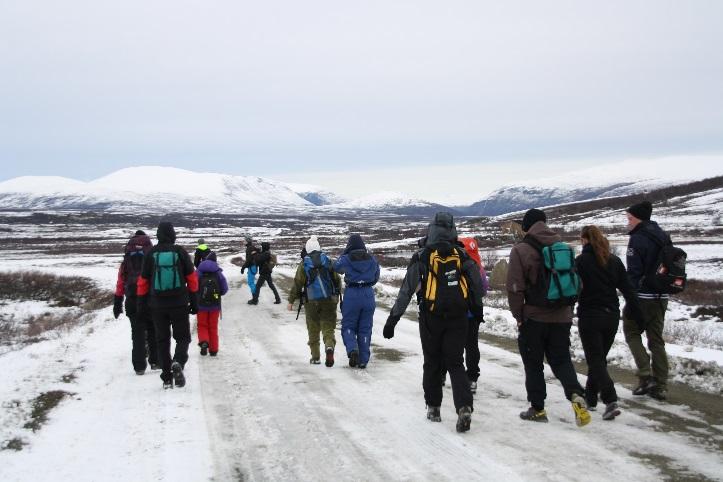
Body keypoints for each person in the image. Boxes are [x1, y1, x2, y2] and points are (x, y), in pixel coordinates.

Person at [383, 212, 485, 433]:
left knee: (432, 362)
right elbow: (477, 286)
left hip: (431, 317)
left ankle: (434, 408)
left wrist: (393, 320)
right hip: (459, 317)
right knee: (456, 363)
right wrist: (477, 311)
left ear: (431, 229)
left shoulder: (422, 256)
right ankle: (464, 406)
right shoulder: (462, 254)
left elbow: (406, 291)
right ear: (452, 230)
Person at [506, 208, 590, 426]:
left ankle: (537, 409)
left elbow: (515, 287)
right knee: (561, 359)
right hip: (561, 317)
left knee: (533, 364)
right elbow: (577, 283)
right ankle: (575, 394)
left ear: (526, 226)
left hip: (534, 317)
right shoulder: (563, 248)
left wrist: (519, 316)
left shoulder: (521, 250)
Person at [576, 226, 644, 420]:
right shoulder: (614, 261)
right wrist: (638, 315)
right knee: (598, 358)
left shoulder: (581, 262)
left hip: (590, 316)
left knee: (595, 360)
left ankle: (610, 399)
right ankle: (590, 398)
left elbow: (572, 287)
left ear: (585, 240)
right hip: (611, 316)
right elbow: (628, 289)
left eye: (581, 240)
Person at [137, 221, 198, 389]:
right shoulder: (180, 252)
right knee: (183, 337)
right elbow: (192, 279)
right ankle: (178, 361)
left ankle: (166, 378)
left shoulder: (151, 253)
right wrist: (194, 302)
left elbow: (142, 282)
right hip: (179, 303)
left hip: (157, 305)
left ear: (158, 234)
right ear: (172, 234)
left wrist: (142, 305)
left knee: (162, 340)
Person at [622, 200, 671, 401]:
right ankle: (660, 385)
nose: (628, 223)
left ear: (638, 218)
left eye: (630, 219)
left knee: (632, 332)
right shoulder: (663, 236)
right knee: (656, 340)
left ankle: (645, 376)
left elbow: (633, 272)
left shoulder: (637, 239)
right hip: (662, 296)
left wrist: (629, 294)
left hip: (642, 297)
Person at [288, 236, 342, 367]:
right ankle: (329, 346)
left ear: (307, 248)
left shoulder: (304, 264)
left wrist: (291, 300)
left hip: (311, 301)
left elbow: (297, 283)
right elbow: (337, 279)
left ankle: (315, 357)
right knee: (328, 327)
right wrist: (336, 295)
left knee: (313, 328)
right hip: (328, 300)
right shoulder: (328, 260)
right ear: (319, 247)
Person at [113, 230, 159, 375]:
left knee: (137, 333)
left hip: (132, 300)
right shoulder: (152, 258)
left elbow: (120, 283)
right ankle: (156, 361)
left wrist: (118, 302)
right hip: (150, 299)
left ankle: (139, 366)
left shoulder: (126, 262)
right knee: (153, 330)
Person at [333, 234, 380, 368]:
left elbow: (336, 267)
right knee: (365, 328)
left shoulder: (346, 259)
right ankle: (363, 360)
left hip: (352, 294)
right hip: (368, 294)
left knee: (348, 325)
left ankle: (352, 349)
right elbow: (376, 276)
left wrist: (344, 255)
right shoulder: (372, 259)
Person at [458, 237, 489, 393]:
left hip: (457, 313)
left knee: (454, 345)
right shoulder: (479, 267)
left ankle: (451, 375)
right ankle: (472, 378)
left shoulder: (455, 264)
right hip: (474, 313)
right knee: (472, 346)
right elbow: (484, 289)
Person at [196, 252, 228, 357]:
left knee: (202, 325)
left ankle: (204, 342)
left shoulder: (199, 272)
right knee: (213, 327)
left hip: (201, 305)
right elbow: (224, 289)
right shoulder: (218, 272)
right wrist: (218, 294)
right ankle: (213, 350)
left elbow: (193, 286)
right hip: (215, 305)